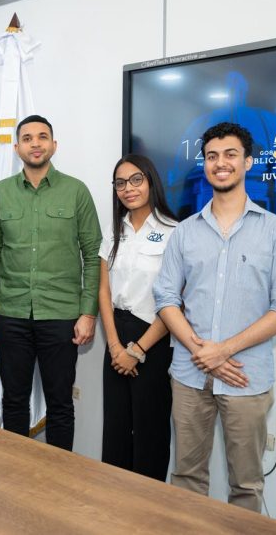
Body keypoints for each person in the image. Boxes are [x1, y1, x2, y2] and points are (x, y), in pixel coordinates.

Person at [154, 122, 276, 511]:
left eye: (230, 154)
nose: (220, 163)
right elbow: (165, 297)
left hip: (246, 378)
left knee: (246, 485)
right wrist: (201, 351)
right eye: (211, 156)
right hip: (189, 375)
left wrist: (223, 351)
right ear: (204, 164)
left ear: (248, 162)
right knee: (186, 478)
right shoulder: (185, 233)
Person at [0, 114, 101, 451]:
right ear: (16, 147)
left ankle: (57, 476)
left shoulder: (76, 191)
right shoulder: (0, 193)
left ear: (54, 145)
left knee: (60, 403)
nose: (35, 143)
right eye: (28, 138)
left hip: (61, 315)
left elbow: (93, 255)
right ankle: (16, 473)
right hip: (11, 313)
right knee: (14, 401)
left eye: (42, 137)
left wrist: (88, 312)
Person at [99, 154, 178, 481]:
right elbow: (103, 289)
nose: (128, 189)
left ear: (150, 182)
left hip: (154, 338)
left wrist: (138, 351)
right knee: (115, 429)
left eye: (136, 180)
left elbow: (176, 301)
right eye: (120, 183)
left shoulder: (174, 231)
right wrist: (115, 346)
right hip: (116, 336)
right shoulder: (114, 230)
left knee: (150, 432)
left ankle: (148, 507)